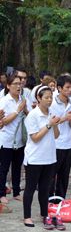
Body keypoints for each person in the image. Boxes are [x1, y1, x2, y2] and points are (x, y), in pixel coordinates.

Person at [23, 86, 62, 229]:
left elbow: (56, 136)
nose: (49, 100)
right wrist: (49, 124)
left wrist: (55, 125)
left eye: (51, 97)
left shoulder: (52, 112)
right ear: (38, 98)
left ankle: (44, 214)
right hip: (34, 158)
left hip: (49, 157)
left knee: (45, 188)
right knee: (30, 188)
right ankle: (27, 216)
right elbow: (35, 138)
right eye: (46, 97)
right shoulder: (32, 115)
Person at [0, 73, 28, 204]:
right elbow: (3, 121)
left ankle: (16, 192)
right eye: (15, 84)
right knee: (4, 168)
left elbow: (26, 115)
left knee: (17, 167)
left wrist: (27, 110)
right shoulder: (4, 101)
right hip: (6, 140)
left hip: (19, 139)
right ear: (8, 86)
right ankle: (1, 193)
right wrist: (18, 111)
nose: (19, 86)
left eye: (20, 83)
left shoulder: (22, 99)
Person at [48, 76, 71, 199]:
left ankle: (60, 201)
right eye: (67, 87)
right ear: (59, 88)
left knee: (64, 176)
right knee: (51, 176)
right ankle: (48, 201)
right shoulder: (52, 103)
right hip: (55, 143)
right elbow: (50, 123)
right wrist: (65, 118)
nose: (70, 90)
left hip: (69, 144)